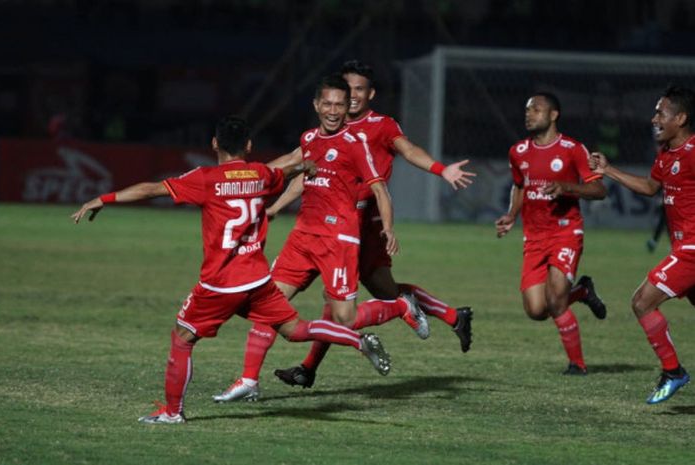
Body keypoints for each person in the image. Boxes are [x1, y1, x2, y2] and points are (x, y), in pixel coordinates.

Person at [71, 115, 392, 424]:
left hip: (220, 283)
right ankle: (358, 341)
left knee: (182, 338)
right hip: (258, 279)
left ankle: (172, 413)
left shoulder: (206, 179)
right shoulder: (260, 176)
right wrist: (304, 165)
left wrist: (105, 198)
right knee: (294, 329)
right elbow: (288, 173)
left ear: (215, 143)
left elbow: (151, 189)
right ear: (249, 145)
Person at [267, 60, 478, 390]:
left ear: (371, 94)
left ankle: (443, 314)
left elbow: (407, 151)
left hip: (364, 223)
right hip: (331, 222)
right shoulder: (324, 132)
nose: (350, 96)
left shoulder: (380, 125)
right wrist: (275, 206)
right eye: (346, 89)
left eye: (359, 90)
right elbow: (306, 171)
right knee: (348, 298)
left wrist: (441, 170)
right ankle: (452, 316)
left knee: (366, 297)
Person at [212, 74, 414, 402]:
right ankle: (249, 379)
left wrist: (388, 228)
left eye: (340, 104)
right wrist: (245, 175)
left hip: (338, 240)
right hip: (302, 238)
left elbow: (379, 188)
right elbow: (287, 165)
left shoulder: (355, 143)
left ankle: (401, 306)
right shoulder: (309, 138)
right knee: (268, 304)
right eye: (328, 104)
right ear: (316, 105)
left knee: (346, 318)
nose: (334, 110)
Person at [590, 85, 694, 404]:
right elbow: (650, 187)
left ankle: (673, 372)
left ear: (680, 118)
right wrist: (608, 170)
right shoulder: (666, 154)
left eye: (661, 113)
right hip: (681, 248)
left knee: (641, 301)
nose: (654, 119)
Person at [495, 92, 608, 375]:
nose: (528, 114)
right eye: (527, 109)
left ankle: (577, 365)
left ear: (554, 115)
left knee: (556, 300)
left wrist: (567, 187)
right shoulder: (517, 151)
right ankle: (581, 291)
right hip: (533, 237)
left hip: (565, 232)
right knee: (536, 310)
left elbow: (599, 189)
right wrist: (511, 214)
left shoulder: (573, 149)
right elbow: (519, 185)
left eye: (536, 109)